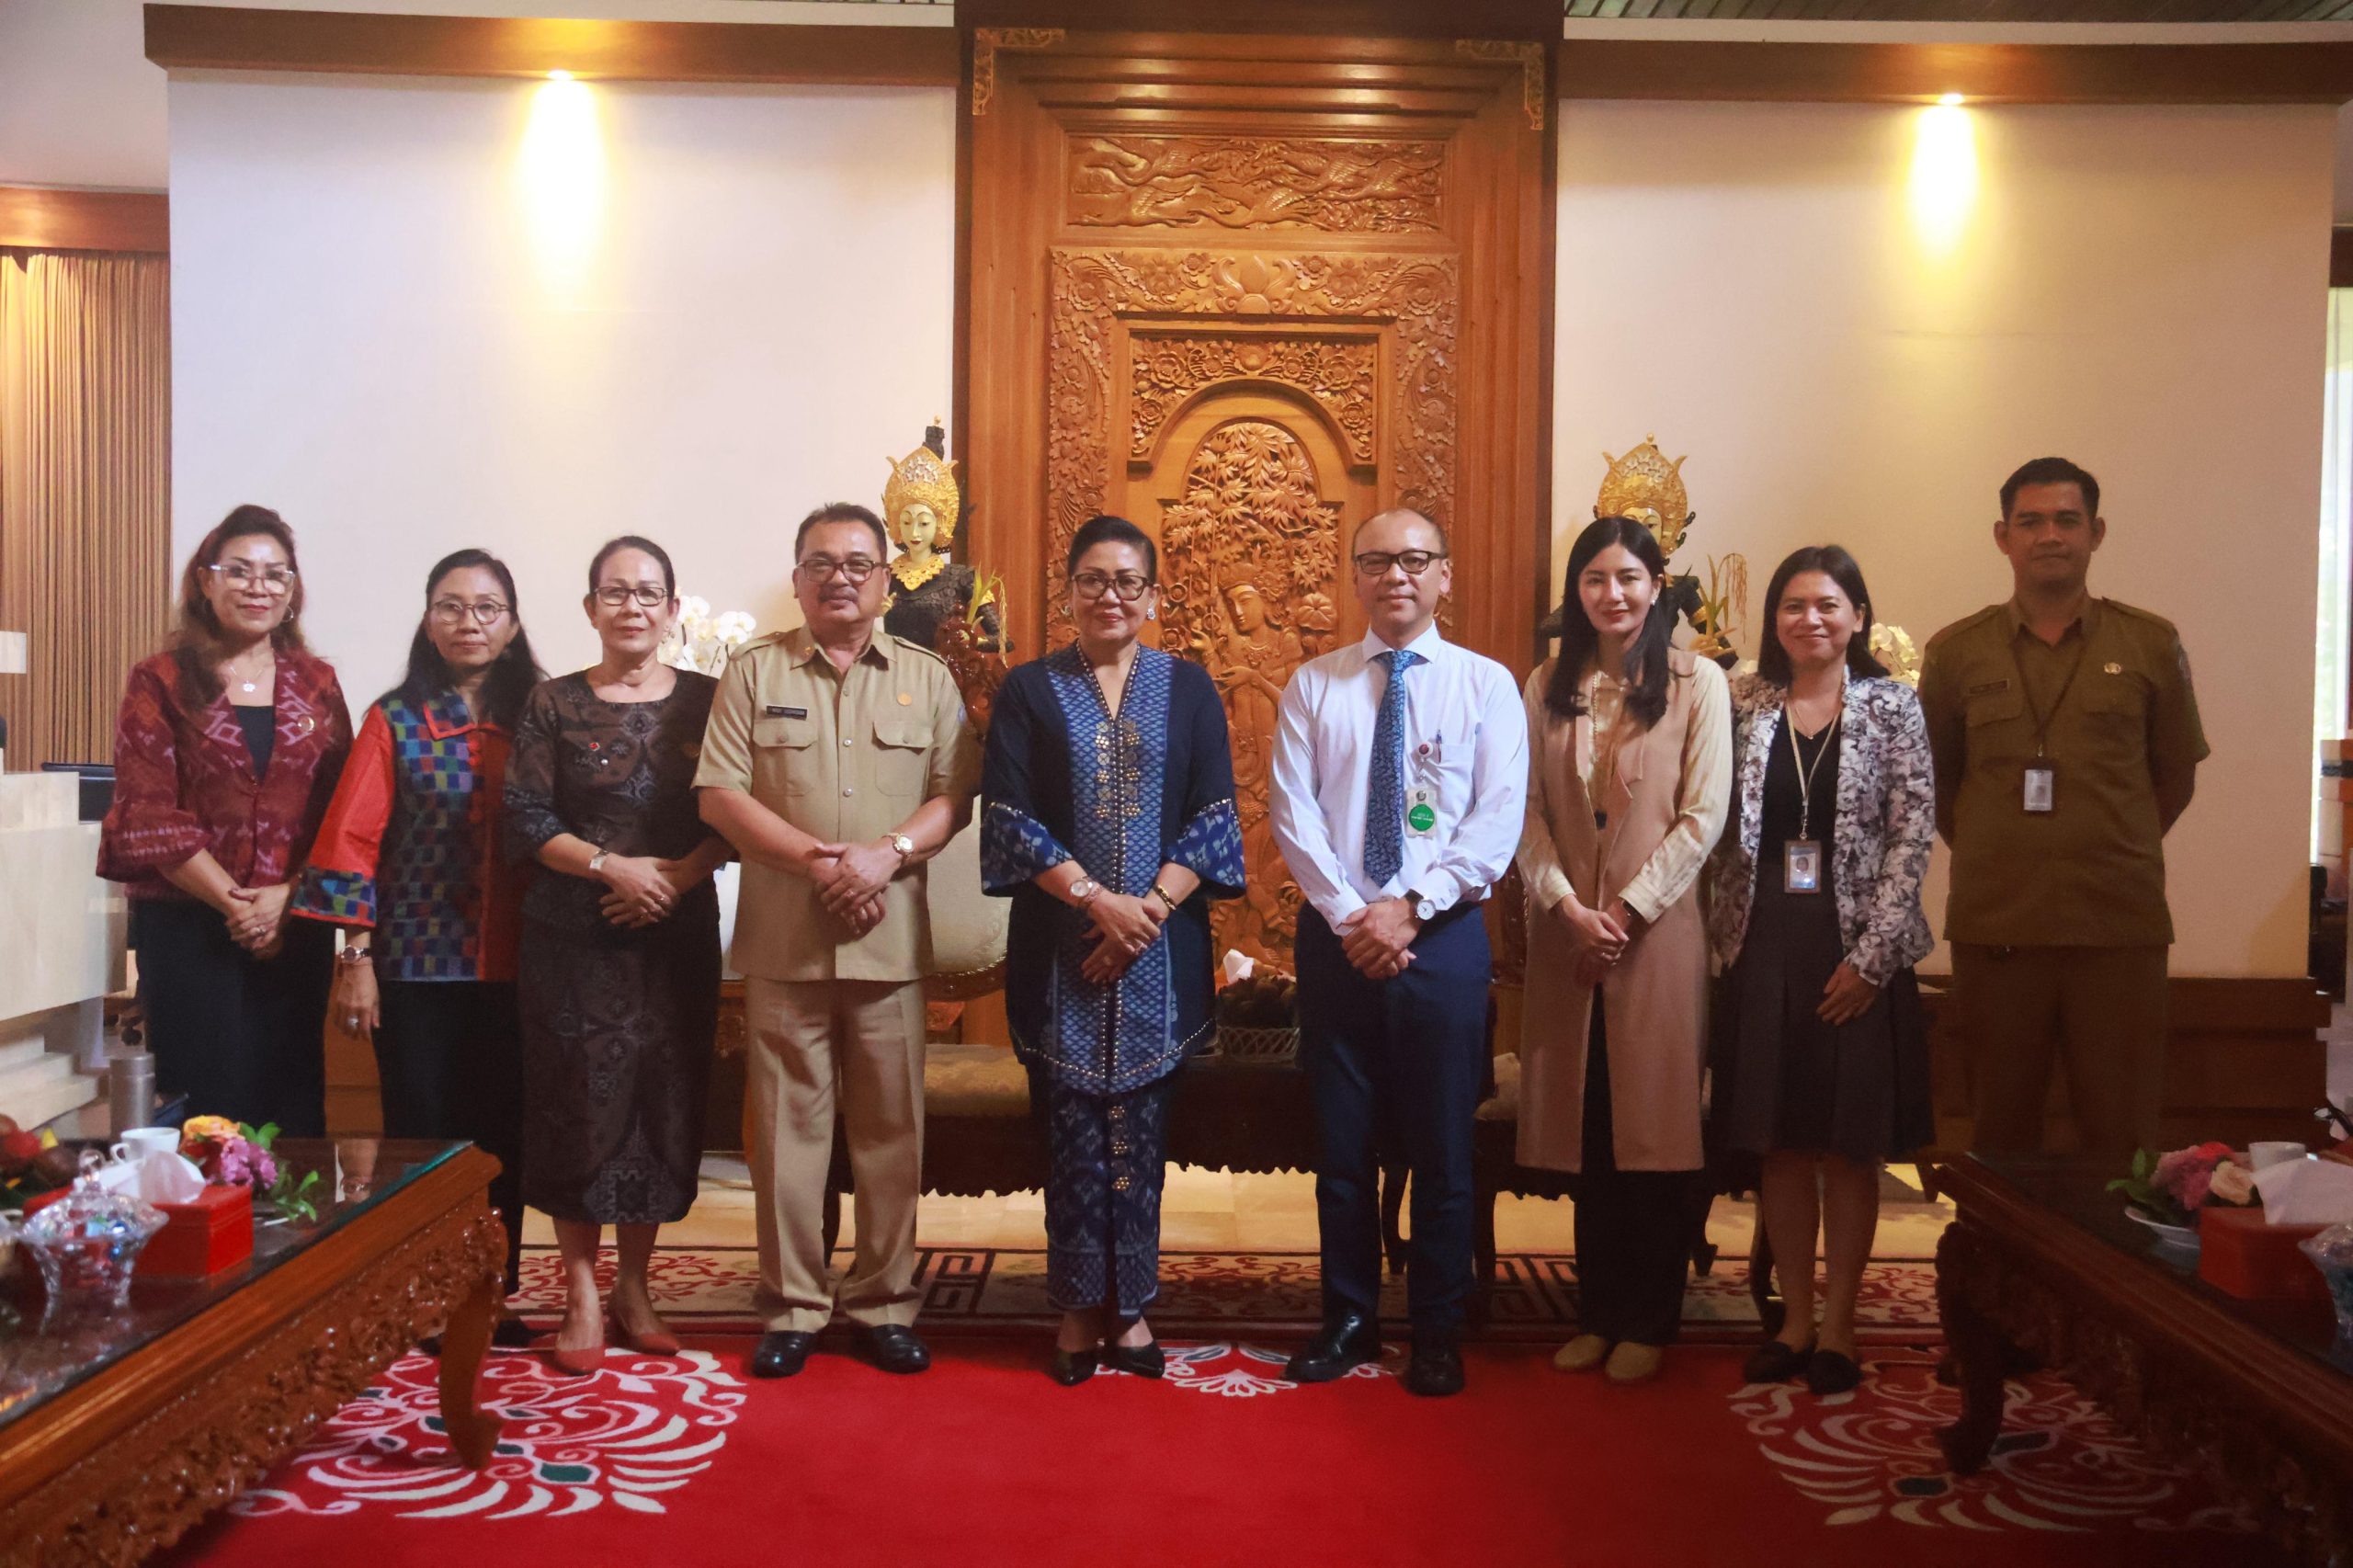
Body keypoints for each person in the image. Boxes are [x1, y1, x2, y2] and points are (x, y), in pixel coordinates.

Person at [696, 502, 980, 1381]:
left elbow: (953, 796)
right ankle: (793, 1307)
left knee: (892, 1133)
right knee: (787, 1135)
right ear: (797, 580)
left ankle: (886, 1302)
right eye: (821, 563)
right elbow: (720, 795)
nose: (840, 578)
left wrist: (883, 856)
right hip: (787, 940)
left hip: (889, 945)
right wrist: (821, 864)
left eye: (858, 564)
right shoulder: (754, 672)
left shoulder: (928, 678)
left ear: (886, 581)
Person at [980, 515, 1245, 1385]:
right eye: (1093, 580)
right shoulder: (1029, 689)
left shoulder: (1190, 688)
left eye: (1128, 581)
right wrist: (1097, 902)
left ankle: (1129, 1308)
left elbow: (1214, 814)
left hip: (1159, 954)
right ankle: (1072, 1304)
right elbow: (1010, 816)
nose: (1111, 596)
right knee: (1068, 1135)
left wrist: (1148, 913)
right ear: (1068, 593)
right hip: (1061, 949)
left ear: (1154, 597)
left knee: (1139, 1137)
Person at [1269, 506, 1527, 1399]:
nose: (1396, 576)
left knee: (1443, 1150)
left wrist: (1410, 908)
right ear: (1354, 576)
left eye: (1415, 560)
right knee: (1341, 1151)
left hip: (1443, 940)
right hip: (1339, 939)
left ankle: (1437, 1328)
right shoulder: (1314, 685)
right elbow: (1293, 814)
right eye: (1376, 561)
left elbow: (1496, 819)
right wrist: (1358, 916)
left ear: (1444, 575)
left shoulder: (1487, 686)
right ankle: (1347, 1316)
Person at [1918, 458, 2207, 1156]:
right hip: (1998, 931)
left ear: (2096, 532)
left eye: (2067, 520)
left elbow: (2174, 777)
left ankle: (2115, 1240)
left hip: (2117, 930)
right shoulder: (1957, 652)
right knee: (1999, 1138)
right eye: (2031, 521)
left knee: (2122, 1138)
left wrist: (2110, 844)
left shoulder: (2149, 643)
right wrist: (2003, 850)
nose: (2049, 535)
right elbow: (1939, 785)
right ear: (2003, 537)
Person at [290, 549, 542, 1339]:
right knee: (423, 1134)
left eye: (487, 608)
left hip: (524, 966)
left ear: (512, 624)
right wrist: (355, 961)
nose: (469, 622)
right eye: (451, 607)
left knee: (505, 1136)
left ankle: (491, 1292)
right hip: (417, 967)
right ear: (429, 621)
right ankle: (425, 1295)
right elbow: (350, 842)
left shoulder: (543, 716)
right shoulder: (393, 720)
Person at [1707, 546, 1935, 1396]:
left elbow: (1913, 834)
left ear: (1858, 617)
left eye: (1828, 604)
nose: (1811, 619)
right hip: (1762, 939)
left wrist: (1873, 958)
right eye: (1794, 605)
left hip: (1856, 946)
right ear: (1774, 620)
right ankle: (1795, 1319)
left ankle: (1841, 1324)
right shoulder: (1743, 702)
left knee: (1848, 1147)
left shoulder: (1892, 706)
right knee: (1780, 1143)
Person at [505, 536, 732, 1376]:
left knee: (662, 1103)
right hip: (573, 935)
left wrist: (675, 877)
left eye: (647, 593)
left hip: (675, 931)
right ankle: (580, 1291)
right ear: (590, 607)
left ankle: (635, 1287)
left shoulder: (711, 700)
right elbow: (527, 817)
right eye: (614, 592)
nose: (631, 606)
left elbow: (738, 806)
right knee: (575, 1103)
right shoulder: (553, 702)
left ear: (672, 609)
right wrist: (612, 867)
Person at [1518, 516, 1730, 1385]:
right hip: (1568, 934)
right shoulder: (1547, 683)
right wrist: (1568, 906)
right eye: (1596, 579)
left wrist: (1630, 910)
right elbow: (1526, 812)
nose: (1613, 594)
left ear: (1657, 587)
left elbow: (1703, 815)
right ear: (1577, 591)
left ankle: (1649, 1317)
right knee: (1592, 1125)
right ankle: (1597, 1313)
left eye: (1629, 578)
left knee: (1655, 1129)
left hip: (1658, 937)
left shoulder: (1697, 681)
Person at [98, 506, 351, 1135]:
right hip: (188, 925)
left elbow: (339, 810)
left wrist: (286, 897)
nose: (257, 586)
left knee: (294, 1101)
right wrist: (238, 906)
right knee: (206, 1104)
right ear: (205, 582)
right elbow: (147, 810)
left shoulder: (317, 684)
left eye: (275, 573)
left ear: (292, 591)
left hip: (293, 926)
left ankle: (294, 1208)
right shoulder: (160, 681)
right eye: (238, 571)